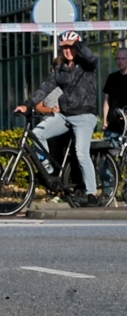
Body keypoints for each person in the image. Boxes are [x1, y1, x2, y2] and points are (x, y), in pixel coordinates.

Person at [17, 30, 100, 206]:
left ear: (77, 47)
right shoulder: (61, 70)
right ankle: (49, 171)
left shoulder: (86, 65)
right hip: (64, 115)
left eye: (71, 47)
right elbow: (46, 88)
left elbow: (91, 58)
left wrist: (78, 43)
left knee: (81, 153)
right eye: (64, 48)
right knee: (37, 133)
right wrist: (28, 104)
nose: (67, 51)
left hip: (84, 115)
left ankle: (92, 193)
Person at [103, 45, 127, 138]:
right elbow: (107, 101)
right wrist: (105, 121)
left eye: (123, 58)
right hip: (113, 127)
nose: (119, 61)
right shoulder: (112, 78)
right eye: (118, 59)